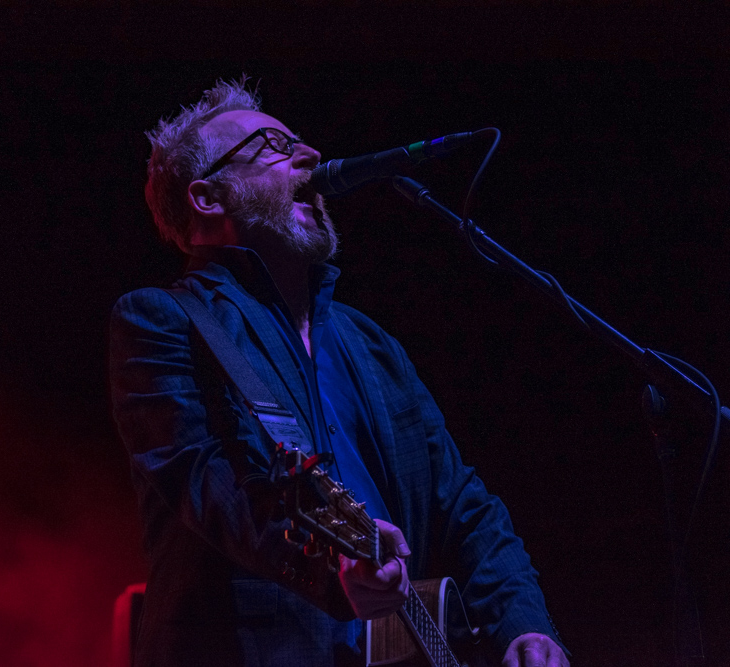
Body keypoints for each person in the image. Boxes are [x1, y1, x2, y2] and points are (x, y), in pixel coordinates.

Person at [109, 79, 570, 667]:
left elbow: (461, 500)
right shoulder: (164, 320)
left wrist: (524, 624)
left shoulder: (367, 341)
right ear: (207, 198)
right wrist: (330, 572)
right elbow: (207, 482)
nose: (310, 156)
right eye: (275, 146)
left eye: (301, 142)